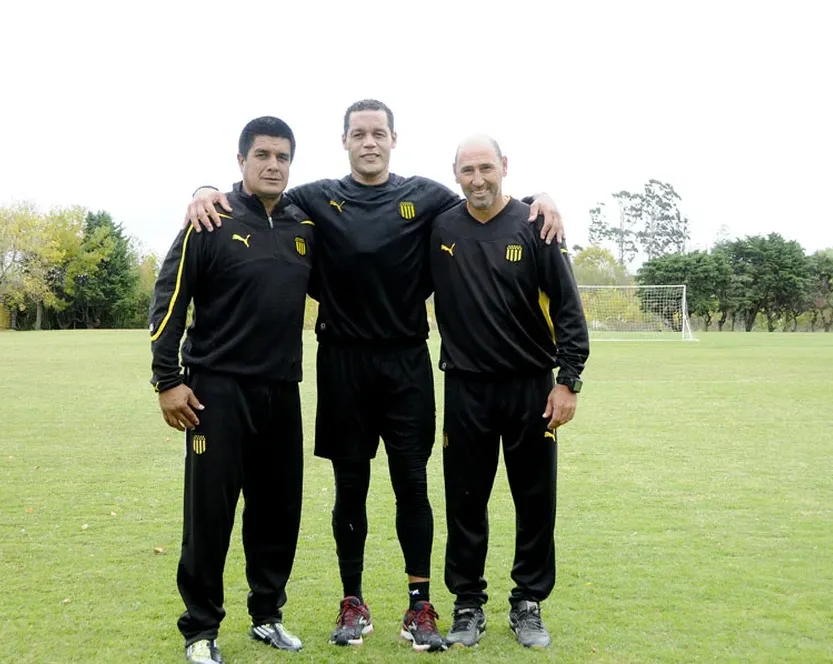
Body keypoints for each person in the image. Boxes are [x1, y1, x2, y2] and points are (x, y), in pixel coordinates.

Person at [185, 100, 567, 653]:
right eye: (359, 134)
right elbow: (256, 196)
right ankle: (353, 602)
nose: (369, 142)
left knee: (412, 485)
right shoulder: (314, 198)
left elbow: (486, 199)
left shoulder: (427, 197)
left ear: (393, 139)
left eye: (378, 133)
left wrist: (540, 198)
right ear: (344, 140)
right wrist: (206, 189)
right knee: (351, 488)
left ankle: (420, 606)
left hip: (407, 361)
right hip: (342, 361)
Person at [150, 116, 316, 664]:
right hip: (215, 392)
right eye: (262, 155)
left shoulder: (303, 225)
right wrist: (168, 379)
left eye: (283, 157)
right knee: (210, 514)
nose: (273, 165)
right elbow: (169, 299)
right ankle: (200, 629)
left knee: (277, 512)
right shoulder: (210, 220)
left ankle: (267, 615)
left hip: (281, 391)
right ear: (241, 160)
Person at [430, 135, 590, 650]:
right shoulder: (441, 227)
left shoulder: (536, 225)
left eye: (486, 167)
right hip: (466, 387)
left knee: (535, 499)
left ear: (504, 166)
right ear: (455, 174)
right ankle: (467, 603)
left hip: (531, 388)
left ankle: (528, 602)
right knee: (465, 501)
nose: (477, 179)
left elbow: (568, 308)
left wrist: (568, 380)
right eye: (467, 170)